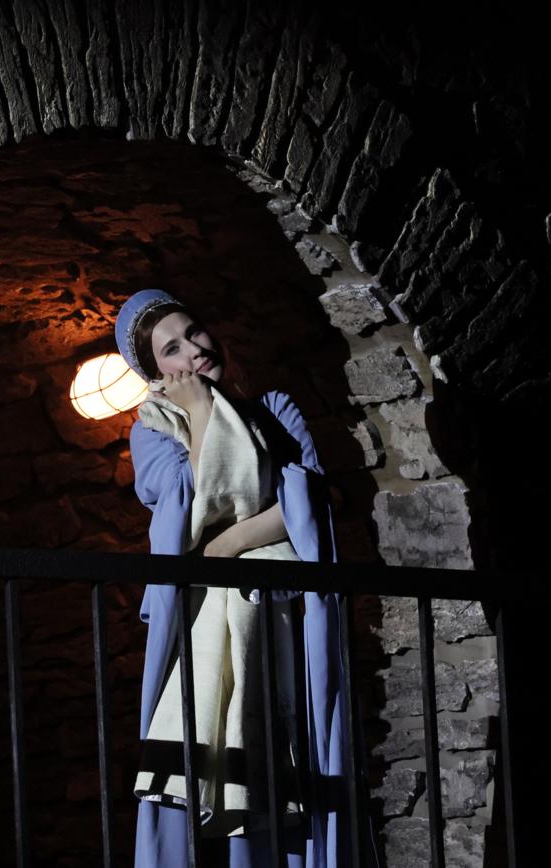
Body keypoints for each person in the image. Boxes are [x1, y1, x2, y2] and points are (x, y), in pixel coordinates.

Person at [115, 288, 381, 868]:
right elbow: (186, 505)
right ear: (157, 375)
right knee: (206, 751)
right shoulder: (154, 430)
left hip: (284, 608)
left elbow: (311, 500)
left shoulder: (275, 409)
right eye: (171, 349)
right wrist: (201, 414)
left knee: (293, 751)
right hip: (202, 620)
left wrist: (227, 543)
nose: (193, 350)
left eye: (194, 331)